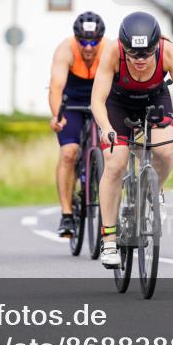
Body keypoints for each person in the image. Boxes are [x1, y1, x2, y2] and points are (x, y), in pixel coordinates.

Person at [90, 11, 173, 268]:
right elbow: (97, 100)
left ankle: (152, 191)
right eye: (133, 54)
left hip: (154, 98)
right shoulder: (112, 52)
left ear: (156, 46)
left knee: (165, 152)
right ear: (124, 48)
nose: (140, 60)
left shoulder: (169, 52)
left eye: (146, 54)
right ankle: (109, 241)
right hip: (118, 104)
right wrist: (106, 127)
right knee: (115, 163)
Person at [48, 12, 106, 237]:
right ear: (76, 38)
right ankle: (67, 215)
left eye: (94, 42)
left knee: (111, 153)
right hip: (71, 102)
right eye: (83, 41)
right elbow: (55, 87)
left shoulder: (109, 50)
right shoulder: (65, 50)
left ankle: (107, 213)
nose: (89, 47)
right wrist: (57, 115)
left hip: (100, 101)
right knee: (69, 153)